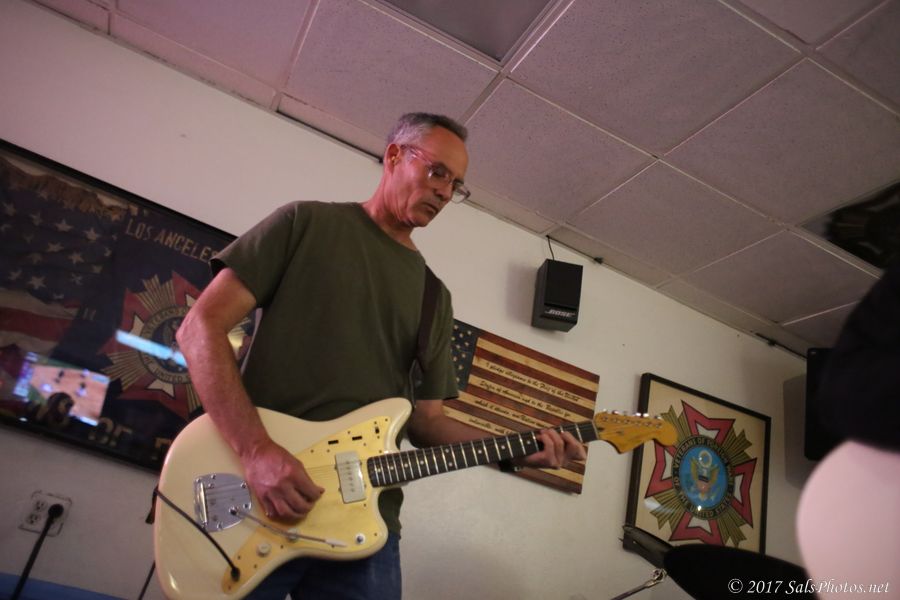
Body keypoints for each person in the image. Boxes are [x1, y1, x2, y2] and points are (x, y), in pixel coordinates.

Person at [175, 112, 587, 599]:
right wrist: (256, 451)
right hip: (258, 492)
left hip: (366, 519)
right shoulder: (305, 223)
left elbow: (428, 422)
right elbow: (199, 328)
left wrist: (516, 450)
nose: (444, 192)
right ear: (394, 156)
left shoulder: (435, 297)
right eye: (437, 172)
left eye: (455, 185)